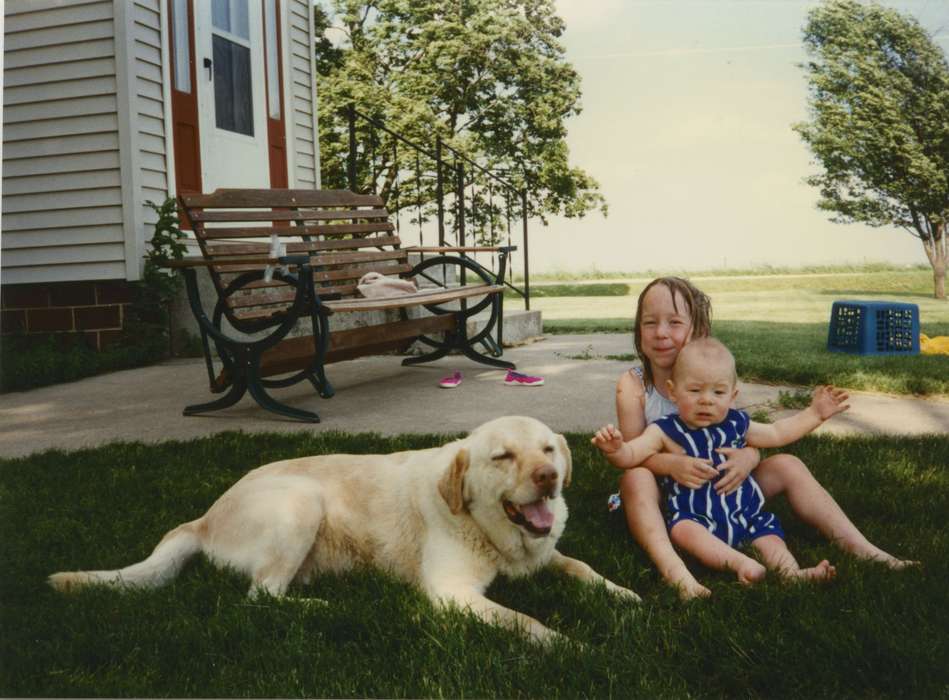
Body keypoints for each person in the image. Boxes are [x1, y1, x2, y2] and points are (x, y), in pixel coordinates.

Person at [609, 277, 915, 599]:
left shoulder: (715, 374)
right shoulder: (633, 385)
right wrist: (673, 464)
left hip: (725, 488)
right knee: (635, 478)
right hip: (667, 497)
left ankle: (859, 546)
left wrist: (750, 457)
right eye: (650, 322)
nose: (660, 332)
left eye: (674, 322)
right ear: (638, 330)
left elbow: (745, 434)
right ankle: (676, 572)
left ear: (697, 330)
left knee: (787, 464)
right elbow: (634, 455)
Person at [594, 338, 849, 584]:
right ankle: (741, 564)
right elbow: (631, 456)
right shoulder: (663, 430)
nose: (706, 399)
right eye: (694, 390)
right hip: (696, 518)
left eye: (718, 392)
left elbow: (777, 433)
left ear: (732, 395)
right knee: (683, 530)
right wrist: (616, 448)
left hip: (746, 514)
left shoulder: (738, 423)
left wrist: (814, 414)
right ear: (673, 391)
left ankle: (791, 574)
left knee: (770, 540)